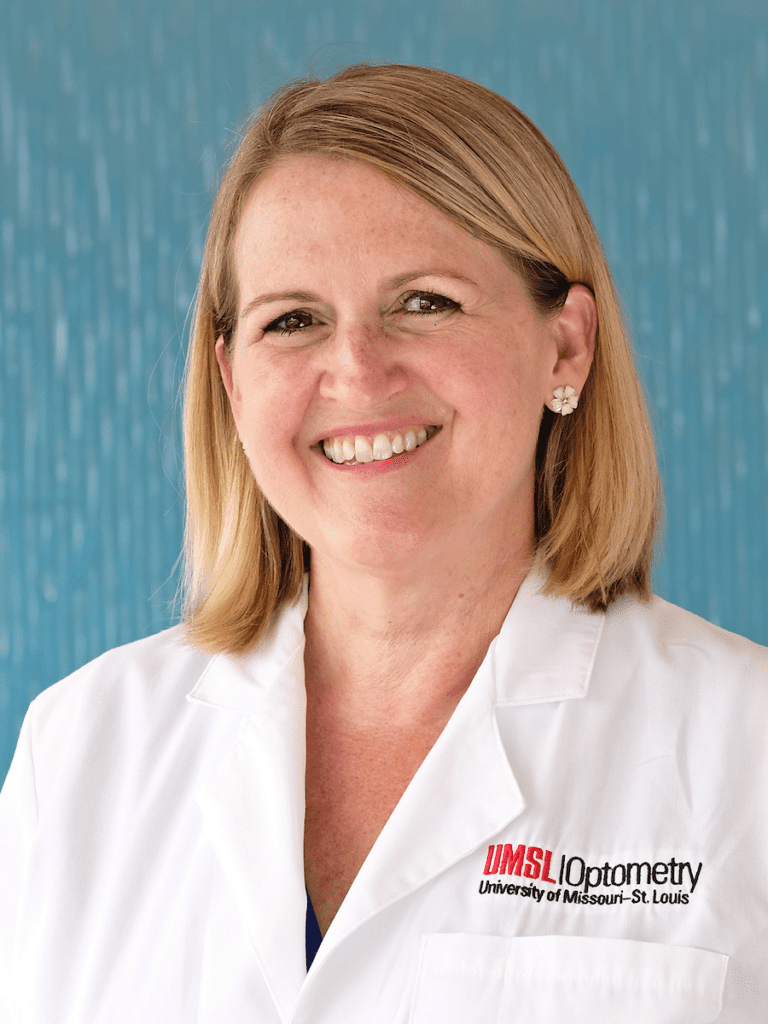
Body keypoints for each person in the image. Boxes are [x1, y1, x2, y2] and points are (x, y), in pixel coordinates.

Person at [0, 63, 766, 1024]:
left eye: (425, 302)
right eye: (294, 320)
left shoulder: (746, 751)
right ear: (233, 384)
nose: (357, 373)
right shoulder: (80, 749)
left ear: (566, 346)